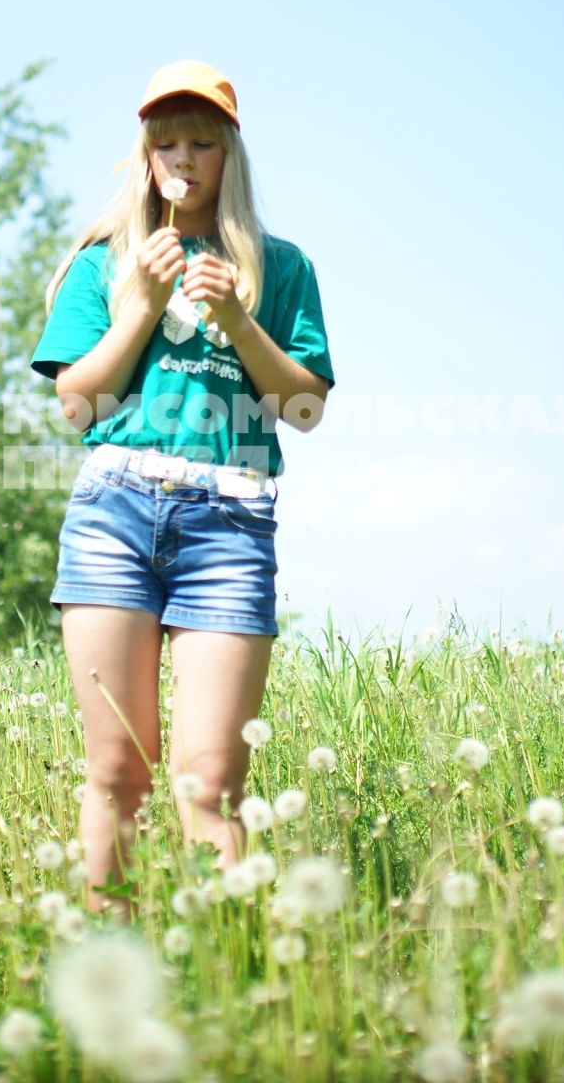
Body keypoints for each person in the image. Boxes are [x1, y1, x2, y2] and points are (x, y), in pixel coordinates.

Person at [29, 59, 336, 916]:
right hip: (114, 514)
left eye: (203, 142)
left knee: (209, 779)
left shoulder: (281, 268)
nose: (184, 159)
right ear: (145, 155)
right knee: (118, 769)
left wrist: (237, 319)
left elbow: (303, 408)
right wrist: (141, 303)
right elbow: (76, 402)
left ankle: (225, 961)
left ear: (230, 155)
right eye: (167, 143)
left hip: (230, 522)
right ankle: (108, 954)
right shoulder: (103, 261)